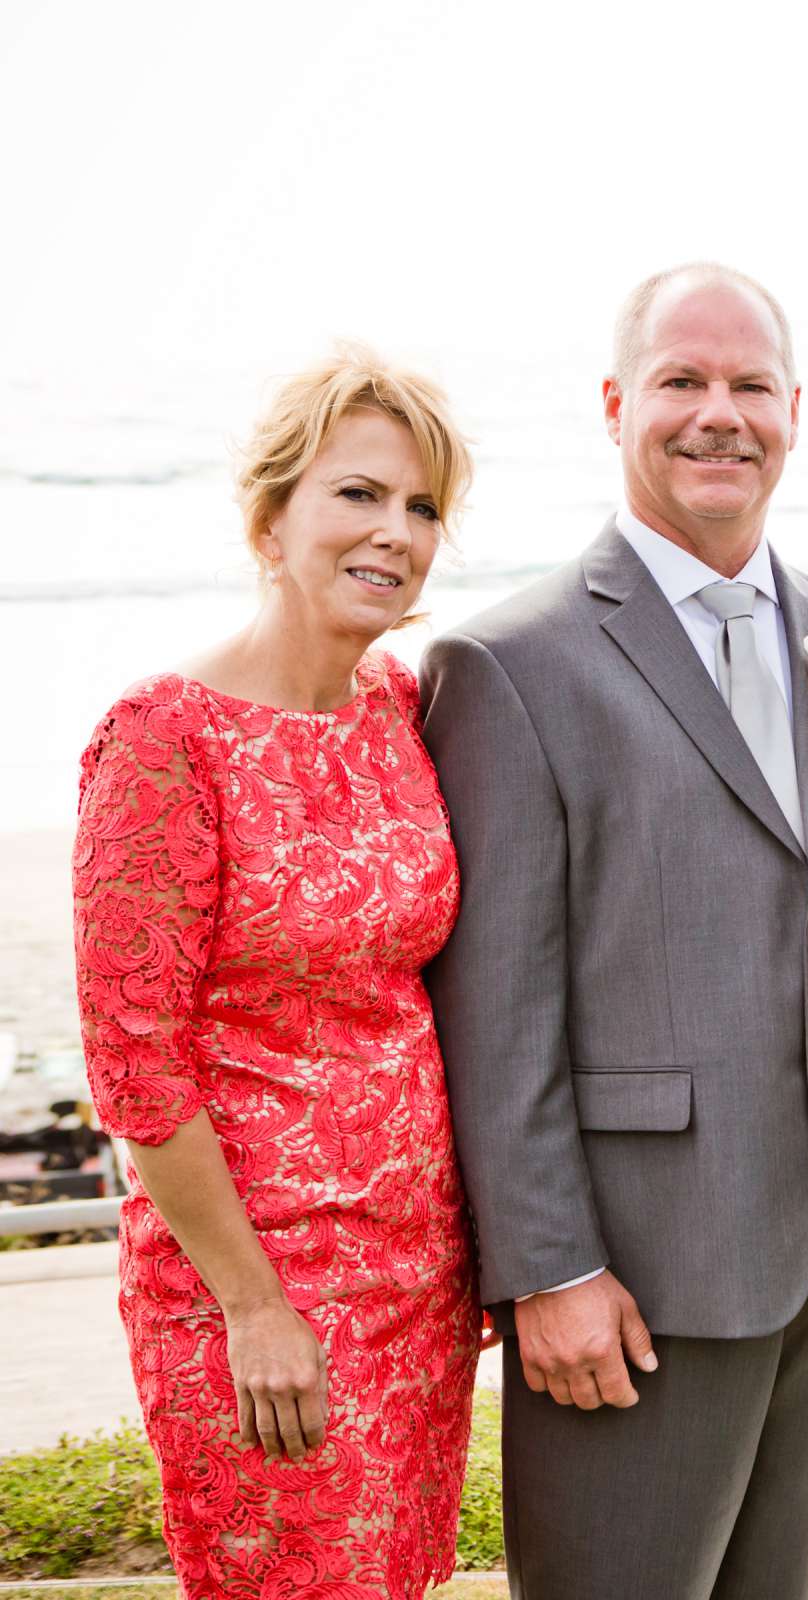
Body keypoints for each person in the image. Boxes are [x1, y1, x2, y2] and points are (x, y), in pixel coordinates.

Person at [418, 263, 808, 1599]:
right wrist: (548, 1270)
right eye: (680, 382)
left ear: (793, 409)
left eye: (748, 385)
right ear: (614, 404)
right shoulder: (513, 664)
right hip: (632, 1271)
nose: (719, 415)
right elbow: (498, 1007)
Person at [70, 347, 479, 1597]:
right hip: (258, 1288)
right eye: (357, 495)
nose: (394, 534)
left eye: (421, 509)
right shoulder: (164, 738)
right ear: (270, 516)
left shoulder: (397, 707)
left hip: (419, 1269)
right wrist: (252, 1303)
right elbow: (135, 1064)